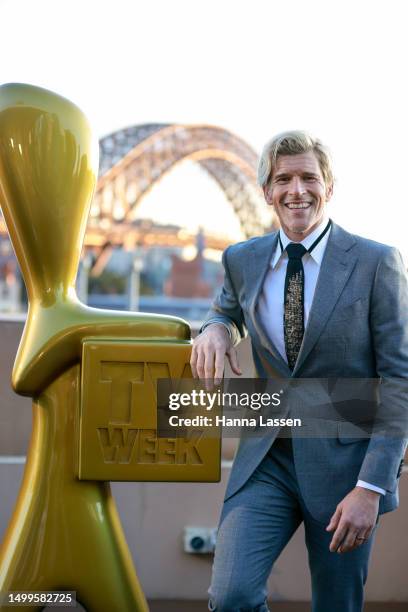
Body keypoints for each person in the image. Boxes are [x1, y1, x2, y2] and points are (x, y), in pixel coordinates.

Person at [190, 131, 408, 612]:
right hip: (267, 458)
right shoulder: (241, 259)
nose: (297, 190)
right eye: (283, 179)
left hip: (344, 469)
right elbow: (226, 309)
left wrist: (371, 489)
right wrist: (216, 328)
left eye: (309, 177)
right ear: (266, 190)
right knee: (231, 597)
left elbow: (399, 381)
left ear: (328, 186)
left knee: (336, 605)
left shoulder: (376, 263)